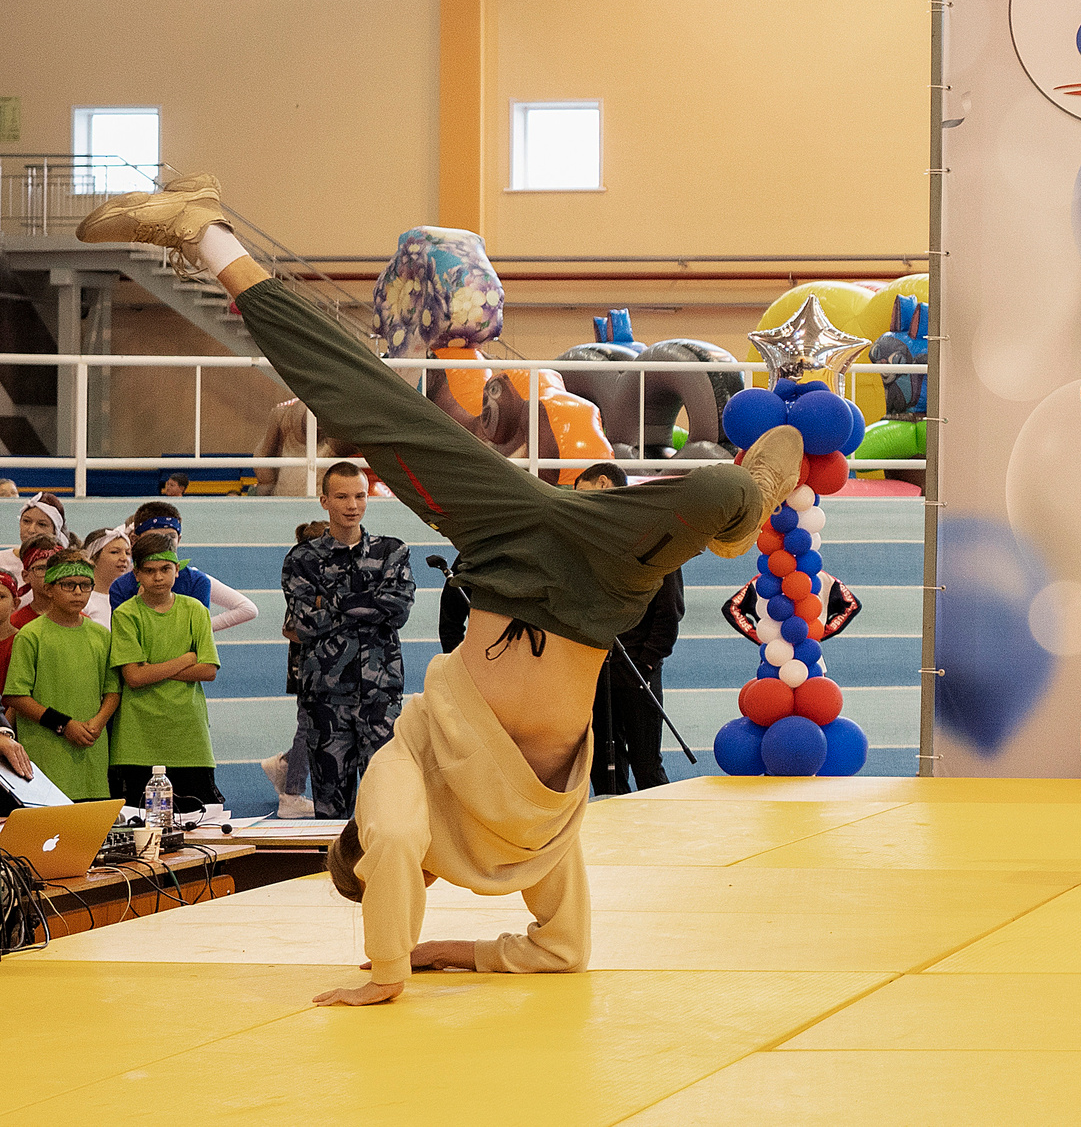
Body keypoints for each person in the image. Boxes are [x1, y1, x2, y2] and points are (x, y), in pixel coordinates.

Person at [76, 173, 799, 1007]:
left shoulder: (402, 777)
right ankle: (748, 499)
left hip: (508, 543)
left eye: (392, 872)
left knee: (364, 400)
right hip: (593, 589)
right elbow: (561, 951)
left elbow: (388, 843)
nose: (405, 861)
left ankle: (202, 230)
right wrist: (448, 950)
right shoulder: (528, 845)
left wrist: (390, 968)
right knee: (712, 492)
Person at [281, 462, 416, 820]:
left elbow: (398, 609)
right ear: (324, 500)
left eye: (360, 495)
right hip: (324, 701)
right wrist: (371, 602)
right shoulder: (303, 559)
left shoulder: (392, 551)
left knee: (388, 807)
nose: (352, 505)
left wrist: (330, 600)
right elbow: (305, 623)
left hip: (380, 697)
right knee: (331, 813)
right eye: (342, 496)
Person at [576, 462, 684, 796]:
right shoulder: (589, 542)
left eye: (584, 493)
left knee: (646, 765)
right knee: (602, 766)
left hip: (638, 670)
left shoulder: (653, 537)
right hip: (596, 668)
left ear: (604, 483)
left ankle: (659, 838)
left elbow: (670, 611)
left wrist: (648, 661)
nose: (581, 504)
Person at [107, 536, 223, 811]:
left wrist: (152, 668)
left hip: (188, 736)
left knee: (199, 824)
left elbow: (208, 670)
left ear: (176, 571)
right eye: (149, 570)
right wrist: (185, 659)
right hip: (138, 739)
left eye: (165, 569)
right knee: (140, 826)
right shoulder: (126, 614)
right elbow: (133, 678)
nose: (158, 577)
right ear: (136, 574)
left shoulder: (195, 610)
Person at [3, 554, 118, 800]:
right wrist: (64, 725)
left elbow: (112, 690)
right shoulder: (30, 635)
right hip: (46, 762)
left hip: (91, 762)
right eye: (68, 585)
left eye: (85, 585)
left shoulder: (101, 636)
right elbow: (16, 695)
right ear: (49, 588)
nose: (78, 592)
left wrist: (97, 723)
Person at [263, 519, 332, 819]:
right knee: (310, 726)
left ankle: (286, 765)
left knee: (322, 727)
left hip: (330, 663)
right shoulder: (304, 578)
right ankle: (291, 795)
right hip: (309, 666)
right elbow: (291, 629)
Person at [105, 503, 259, 633]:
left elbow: (195, 641)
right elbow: (126, 643)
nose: (164, 543)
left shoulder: (196, 581)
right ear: (134, 539)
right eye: (155, 536)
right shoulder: (121, 587)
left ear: (179, 539)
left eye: (171, 537)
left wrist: (203, 627)